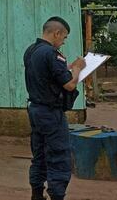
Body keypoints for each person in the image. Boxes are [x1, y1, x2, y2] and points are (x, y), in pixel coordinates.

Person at [24, 17, 86, 200]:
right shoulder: (52, 53)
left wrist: (67, 67)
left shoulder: (31, 50)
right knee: (58, 154)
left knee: (39, 153)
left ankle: (37, 194)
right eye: (64, 37)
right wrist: (78, 69)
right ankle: (57, 195)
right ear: (56, 33)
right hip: (50, 113)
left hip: (35, 109)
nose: (63, 41)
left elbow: (46, 73)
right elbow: (69, 85)